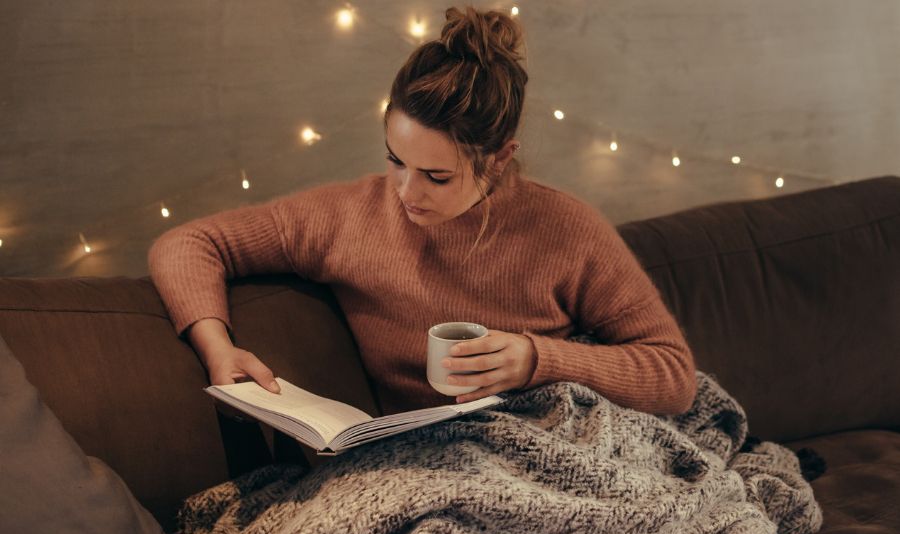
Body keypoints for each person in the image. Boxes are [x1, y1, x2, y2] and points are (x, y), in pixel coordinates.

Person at [148, 5, 697, 419]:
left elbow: (674, 377)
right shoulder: (346, 217)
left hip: (555, 441)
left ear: (500, 158)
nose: (408, 192)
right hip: (428, 464)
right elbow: (190, 244)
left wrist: (537, 360)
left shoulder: (567, 229)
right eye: (396, 161)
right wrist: (218, 349)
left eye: (438, 176)